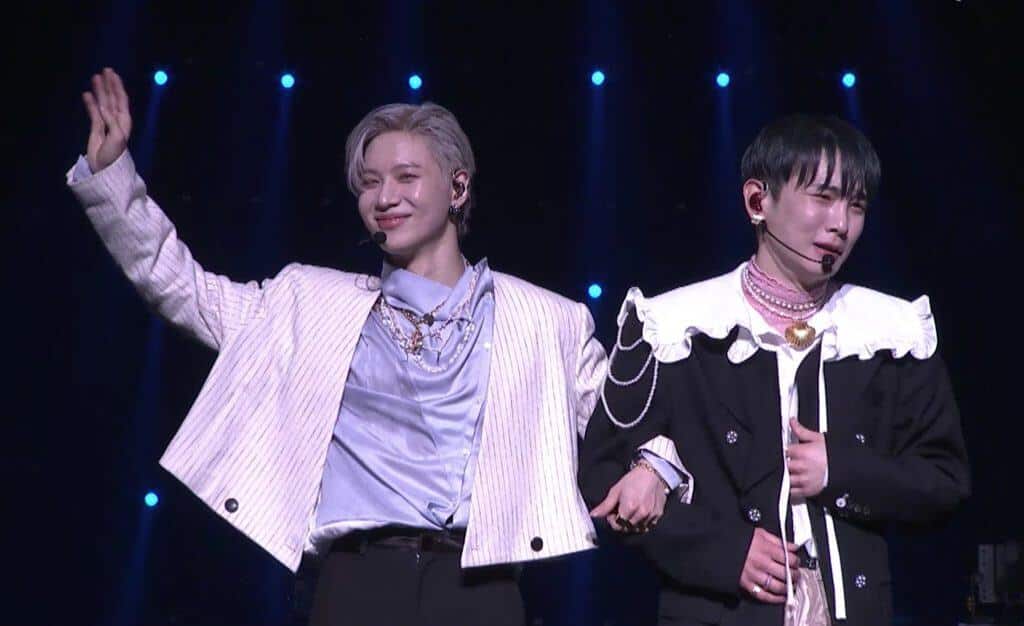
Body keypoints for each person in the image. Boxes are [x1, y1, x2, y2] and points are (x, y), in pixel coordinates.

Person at [69, 68, 680, 625]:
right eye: (369, 183)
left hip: (480, 587)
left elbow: (631, 418)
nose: (384, 197)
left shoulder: (545, 319)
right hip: (356, 581)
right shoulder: (310, 302)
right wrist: (113, 177)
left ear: (458, 188)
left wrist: (654, 468)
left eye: (406, 177)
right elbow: (181, 287)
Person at [580, 113, 970, 625]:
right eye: (823, 197)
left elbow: (945, 480)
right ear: (757, 201)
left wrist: (841, 471)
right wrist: (723, 551)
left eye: (856, 205)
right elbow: (602, 476)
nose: (841, 224)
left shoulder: (890, 331)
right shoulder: (674, 325)